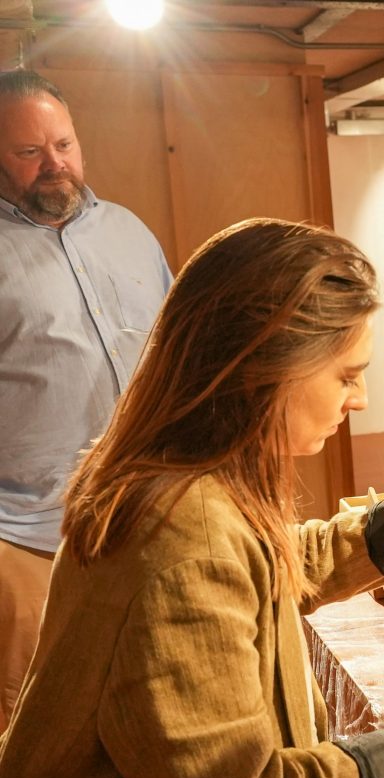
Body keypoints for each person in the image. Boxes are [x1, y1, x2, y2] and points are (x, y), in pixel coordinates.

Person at [0, 219, 384, 778]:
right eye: (346, 376)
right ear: (266, 367)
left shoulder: (181, 477)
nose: (359, 398)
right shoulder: (186, 534)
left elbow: (266, 566)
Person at [0, 70, 173, 731]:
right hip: (27, 540)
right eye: (28, 152)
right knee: (33, 731)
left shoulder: (129, 232)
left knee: (146, 708)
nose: (55, 166)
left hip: (145, 522)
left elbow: (173, 350)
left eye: (64, 144)